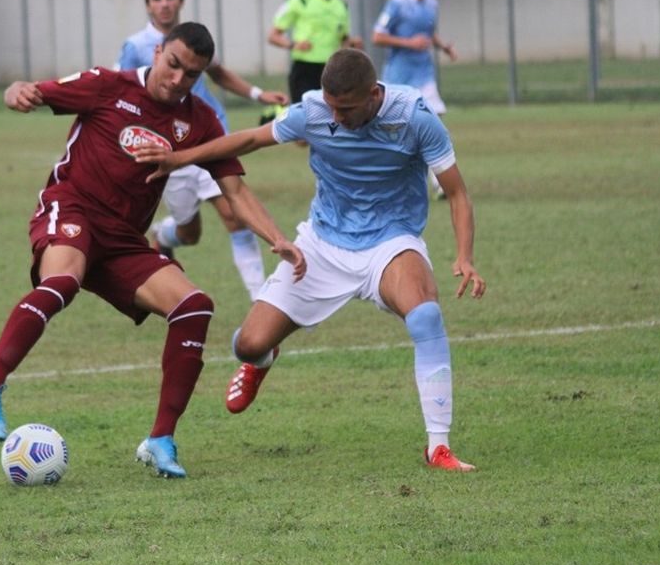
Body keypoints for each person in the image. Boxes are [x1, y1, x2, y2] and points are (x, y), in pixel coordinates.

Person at [0, 22, 306, 479]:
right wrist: (15, 91)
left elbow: (236, 191)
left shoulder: (200, 120)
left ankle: (160, 440)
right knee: (62, 282)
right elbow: (30, 91)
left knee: (194, 307)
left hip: (124, 240)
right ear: (158, 51)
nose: (178, 79)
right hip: (73, 208)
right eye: (173, 65)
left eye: (191, 74)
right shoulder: (107, 85)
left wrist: (276, 238)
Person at [135, 48, 485, 472]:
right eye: (331, 106)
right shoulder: (313, 111)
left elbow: (458, 193)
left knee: (426, 316)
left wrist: (465, 256)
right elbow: (250, 140)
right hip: (320, 245)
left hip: (390, 243)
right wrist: (179, 158)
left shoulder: (414, 116)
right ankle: (264, 358)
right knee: (247, 344)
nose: (335, 118)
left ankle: (438, 446)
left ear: (374, 94)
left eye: (346, 109)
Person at [117, 0, 289, 300]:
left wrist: (258, 94)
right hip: (168, 151)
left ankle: (260, 298)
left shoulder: (196, 40)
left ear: (181, 0)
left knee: (234, 216)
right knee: (189, 233)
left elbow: (219, 73)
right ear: (148, 5)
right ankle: (165, 236)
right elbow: (122, 92)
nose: (164, 4)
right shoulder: (136, 46)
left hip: (211, 137)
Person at [372, 0, 458, 199]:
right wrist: (409, 43)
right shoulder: (397, 4)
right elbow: (377, 36)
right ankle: (385, 180)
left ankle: (440, 183)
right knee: (394, 131)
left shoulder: (432, 4)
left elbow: (429, 33)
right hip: (398, 77)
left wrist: (444, 47)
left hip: (424, 75)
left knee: (435, 122)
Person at [268, 0, 363, 110]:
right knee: (306, 116)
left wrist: (352, 43)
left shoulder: (341, 5)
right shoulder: (300, 1)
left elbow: (343, 39)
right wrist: (293, 45)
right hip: (305, 69)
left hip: (332, 70)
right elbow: (273, 36)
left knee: (334, 116)